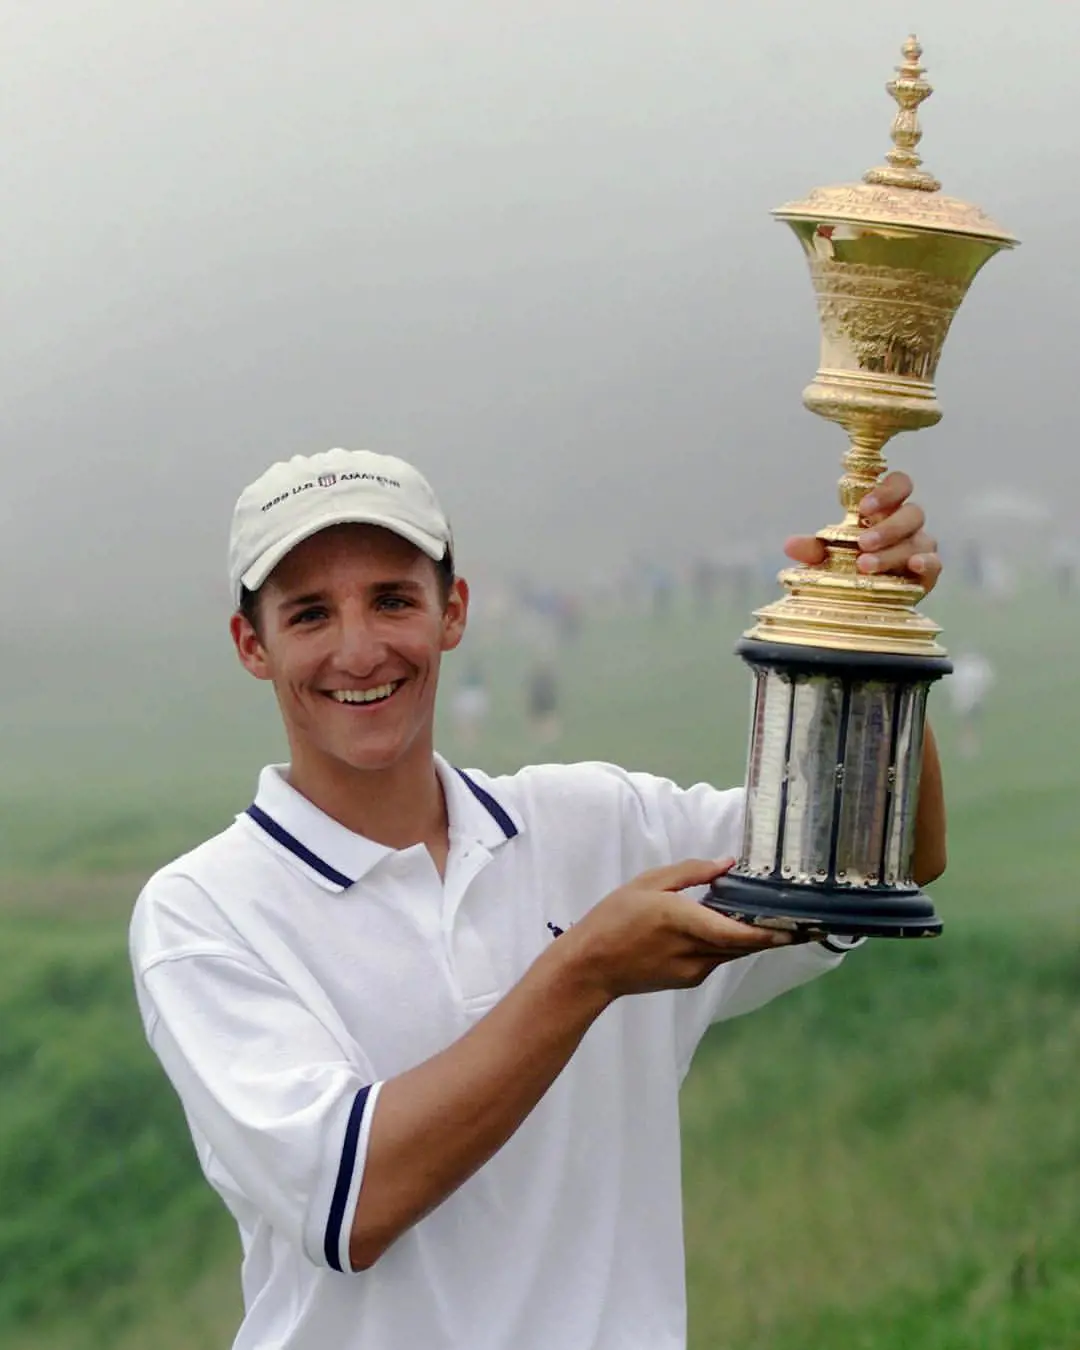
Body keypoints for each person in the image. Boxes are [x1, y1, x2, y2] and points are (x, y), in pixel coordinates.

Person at [129, 447, 946, 1350]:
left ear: (454, 613)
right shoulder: (204, 911)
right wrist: (585, 970)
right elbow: (353, 1201)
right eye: (310, 613)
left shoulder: (596, 823)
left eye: (394, 599)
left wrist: (871, 623)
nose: (358, 649)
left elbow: (878, 852)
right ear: (254, 646)